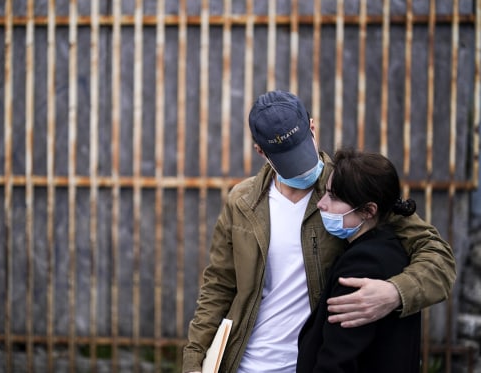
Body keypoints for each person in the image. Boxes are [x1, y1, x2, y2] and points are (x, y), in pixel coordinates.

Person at [182, 90, 455, 373]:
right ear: (261, 152)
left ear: (312, 127)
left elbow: (438, 257)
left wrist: (396, 292)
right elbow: (218, 285)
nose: (302, 168)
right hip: (245, 363)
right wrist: (194, 359)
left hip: (310, 363)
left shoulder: (351, 188)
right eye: (288, 160)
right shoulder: (242, 201)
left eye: (302, 150)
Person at [297, 148, 421, 373]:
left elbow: (337, 360)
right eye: (325, 193)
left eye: (334, 197)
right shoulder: (392, 249)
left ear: (368, 211)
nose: (321, 204)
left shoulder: (363, 264)